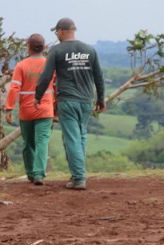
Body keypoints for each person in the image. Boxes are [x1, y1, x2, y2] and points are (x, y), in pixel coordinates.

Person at [35, 17, 104, 190]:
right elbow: (99, 77)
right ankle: (76, 174)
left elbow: (46, 76)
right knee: (80, 136)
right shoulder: (90, 50)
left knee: (72, 138)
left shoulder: (56, 51)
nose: (56, 34)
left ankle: (79, 178)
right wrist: (101, 99)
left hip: (67, 101)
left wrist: (38, 96)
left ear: (62, 31)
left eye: (57, 31)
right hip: (86, 101)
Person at [4, 33, 54, 185]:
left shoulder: (21, 65)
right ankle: (39, 173)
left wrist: (9, 108)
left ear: (28, 47)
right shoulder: (49, 64)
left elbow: (14, 88)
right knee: (42, 142)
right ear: (44, 47)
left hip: (26, 111)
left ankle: (31, 173)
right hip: (45, 109)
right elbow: (56, 87)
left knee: (28, 143)